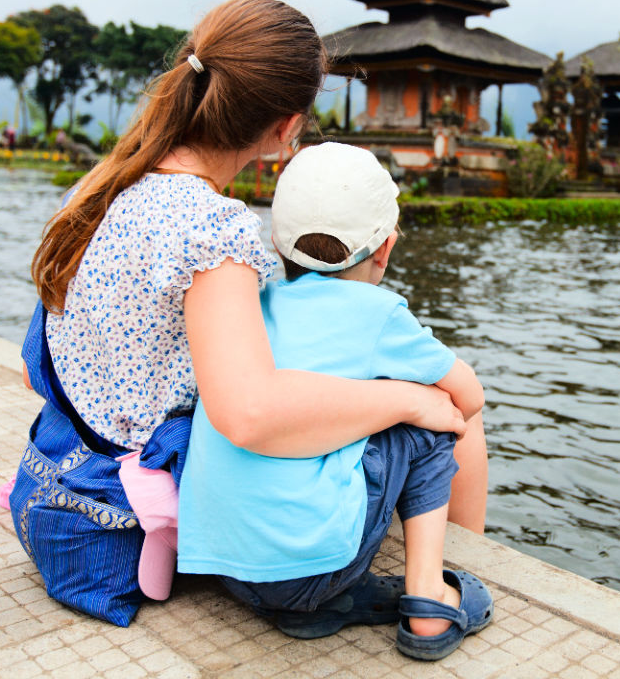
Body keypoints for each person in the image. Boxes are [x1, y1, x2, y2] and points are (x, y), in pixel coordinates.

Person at [8, 0, 476, 628]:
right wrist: (406, 401)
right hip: (137, 507)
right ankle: (449, 573)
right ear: (287, 127)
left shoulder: (105, 185)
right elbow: (249, 414)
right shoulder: (212, 226)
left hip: (63, 470)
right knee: (445, 416)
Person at [178, 143, 493, 661]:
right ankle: (430, 598)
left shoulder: (252, 305)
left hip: (226, 570)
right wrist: (414, 395)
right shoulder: (381, 314)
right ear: (386, 249)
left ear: (276, 243)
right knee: (437, 413)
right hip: (312, 568)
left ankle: (320, 603)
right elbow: (471, 396)